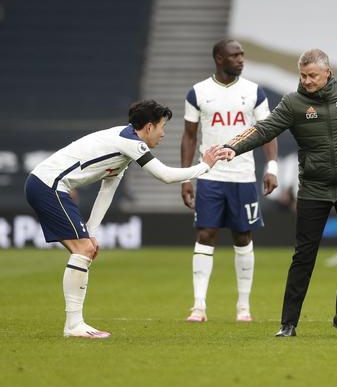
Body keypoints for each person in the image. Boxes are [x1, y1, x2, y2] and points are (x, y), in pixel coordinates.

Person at [219, 49, 337, 337]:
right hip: (314, 188)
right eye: (302, 75)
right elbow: (264, 128)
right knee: (304, 255)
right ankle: (288, 323)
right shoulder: (293, 103)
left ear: (327, 72)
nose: (306, 81)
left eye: (312, 76)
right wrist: (233, 146)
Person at [25, 100, 224, 338]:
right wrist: (205, 166)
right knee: (83, 251)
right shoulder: (130, 142)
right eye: (162, 127)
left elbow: (107, 189)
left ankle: (75, 324)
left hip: (46, 184)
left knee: (84, 249)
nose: (163, 134)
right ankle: (74, 325)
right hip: (50, 185)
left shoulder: (124, 146)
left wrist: (91, 231)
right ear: (149, 127)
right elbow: (165, 175)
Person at [181, 39, 278, 323]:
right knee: (205, 235)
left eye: (242, 55)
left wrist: (271, 166)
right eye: (235, 55)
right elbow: (189, 136)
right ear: (219, 59)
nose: (241, 59)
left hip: (243, 177)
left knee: (242, 236)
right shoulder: (198, 92)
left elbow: (268, 131)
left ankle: (243, 307)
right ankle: (198, 306)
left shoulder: (253, 92)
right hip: (210, 176)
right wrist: (187, 176)